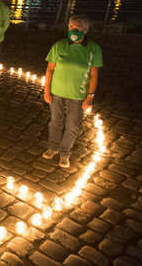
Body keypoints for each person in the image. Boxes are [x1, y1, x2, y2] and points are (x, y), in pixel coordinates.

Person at [43, 15, 103, 168]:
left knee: (73, 125)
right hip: (57, 91)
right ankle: (52, 147)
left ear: (86, 29)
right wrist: (47, 91)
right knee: (55, 121)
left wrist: (91, 95)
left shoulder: (93, 49)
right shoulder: (59, 46)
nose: (74, 30)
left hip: (78, 93)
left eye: (78, 27)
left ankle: (64, 153)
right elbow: (50, 69)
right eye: (71, 27)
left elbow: (94, 74)